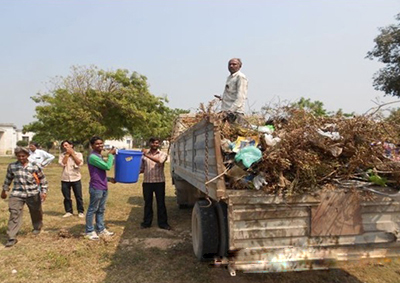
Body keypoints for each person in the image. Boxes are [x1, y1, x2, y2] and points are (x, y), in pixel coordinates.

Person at [1, 147, 48, 247]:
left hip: (33, 193)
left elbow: (42, 179)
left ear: (27, 156)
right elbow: (8, 179)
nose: (21, 158)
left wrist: (44, 191)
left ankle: (37, 227)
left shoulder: (34, 166)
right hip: (17, 194)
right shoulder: (12, 166)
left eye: (23, 156)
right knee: (14, 213)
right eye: (19, 156)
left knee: (36, 211)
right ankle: (12, 237)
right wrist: (4, 190)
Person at [85, 136, 116, 240]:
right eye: (97, 144)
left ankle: (101, 229)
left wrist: (109, 179)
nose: (100, 145)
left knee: (101, 209)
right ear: (92, 145)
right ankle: (89, 231)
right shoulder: (93, 157)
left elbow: (98, 173)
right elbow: (107, 167)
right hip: (96, 187)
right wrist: (111, 155)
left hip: (103, 186)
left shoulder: (98, 156)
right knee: (92, 209)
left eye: (101, 143)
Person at [140, 137, 170, 230]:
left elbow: (160, 161)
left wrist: (146, 155)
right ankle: (147, 223)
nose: (154, 145)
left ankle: (163, 223)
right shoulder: (143, 156)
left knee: (161, 203)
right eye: (152, 143)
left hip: (159, 182)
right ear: (149, 143)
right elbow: (142, 168)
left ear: (159, 144)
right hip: (147, 182)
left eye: (156, 143)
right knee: (148, 203)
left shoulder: (163, 154)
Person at [215, 58, 248, 122]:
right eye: (230, 64)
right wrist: (222, 98)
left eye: (234, 64)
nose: (231, 66)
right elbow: (232, 94)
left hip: (235, 113)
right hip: (225, 112)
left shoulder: (240, 77)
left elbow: (241, 97)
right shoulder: (230, 77)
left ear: (240, 66)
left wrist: (230, 111)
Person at [58, 140, 84, 218]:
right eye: (63, 146)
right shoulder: (62, 155)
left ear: (71, 145)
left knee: (78, 196)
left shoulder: (78, 154)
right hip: (65, 178)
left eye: (66, 145)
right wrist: (67, 155)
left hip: (76, 178)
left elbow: (79, 163)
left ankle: (80, 211)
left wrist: (72, 154)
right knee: (66, 196)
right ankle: (69, 211)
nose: (65, 147)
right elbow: (62, 164)